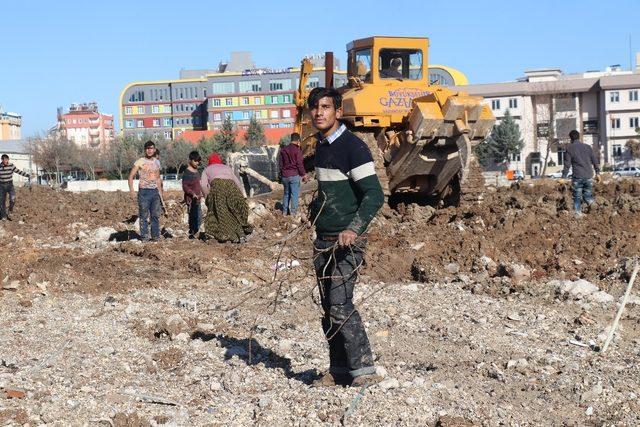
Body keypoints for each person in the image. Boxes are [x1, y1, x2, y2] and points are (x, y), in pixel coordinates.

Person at [307, 87, 385, 387]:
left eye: (325, 107)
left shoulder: (353, 147)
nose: (319, 112)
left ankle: (364, 371)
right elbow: (331, 191)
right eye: (314, 107)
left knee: (341, 304)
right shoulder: (322, 146)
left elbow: (374, 194)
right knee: (328, 307)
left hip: (347, 242)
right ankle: (338, 370)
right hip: (323, 240)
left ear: (338, 111)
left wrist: (353, 228)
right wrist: (314, 212)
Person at [200, 153, 252, 243]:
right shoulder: (227, 168)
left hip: (218, 188)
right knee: (234, 212)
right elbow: (237, 182)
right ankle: (241, 233)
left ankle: (229, 235)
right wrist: (242, 196)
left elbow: (203, 185)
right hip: (232, 187)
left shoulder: (207, 169)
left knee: (222, 214)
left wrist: (208, 198)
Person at [128, 140, 164, 241]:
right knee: (143, 215)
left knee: (155, 215)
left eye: (151, 148)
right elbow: (130, 176)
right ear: (145, 150)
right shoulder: (140, 161)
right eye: (147, 148)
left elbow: (157, 178)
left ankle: (155, 236)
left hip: (154, 192)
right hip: (144, 192)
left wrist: (160, 194)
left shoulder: (157, 162)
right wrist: (132, 191)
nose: (149, 150)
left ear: (154, 149)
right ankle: (144, 236)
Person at [562, 130, 600, 217]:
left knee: (577, 196)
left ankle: (578, 213)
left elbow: (567, 164)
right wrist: (598, 173)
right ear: (579, 137)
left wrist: (563, 177)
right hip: (589, 176)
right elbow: (595, 160)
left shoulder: (569, 148)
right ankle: (593, 205)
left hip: (578, 176)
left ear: (570, 138)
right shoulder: (588, 147)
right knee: (587, 195)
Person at [278, 132, 306, 216]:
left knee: (286, 194)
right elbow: (299, 164)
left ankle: (284, 212)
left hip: (285, 176)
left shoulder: (283, 150)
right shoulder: (298, 150)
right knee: (294, 194)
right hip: (294, 175)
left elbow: (280, 164)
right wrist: (303, 174)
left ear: (291, 139)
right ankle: (293, 214)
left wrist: (282, 173)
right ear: (298, 140)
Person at [0, 154, 31, 221]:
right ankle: (4, 216)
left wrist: (27, 175)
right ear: (2, 160)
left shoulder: (11, 166)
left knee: (13, 199)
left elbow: (18, 171)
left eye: (6, 160)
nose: (5, 161)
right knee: (2, 202)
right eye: (4, 160)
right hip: (2, 186)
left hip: (10, 185)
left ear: (8, 160)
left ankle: (10, 211)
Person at [182, 151, 204, 239]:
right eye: (195, 161)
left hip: (198, 198)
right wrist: (192, 194)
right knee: (193, 216)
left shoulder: (197, 171)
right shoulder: (187, 172)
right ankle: (192, 233)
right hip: (191, 199)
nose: (197, 163)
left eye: (198, 161)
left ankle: (196, 233)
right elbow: (185, 186)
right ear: (191, 160)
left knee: (198, 216)